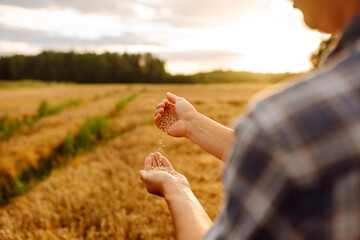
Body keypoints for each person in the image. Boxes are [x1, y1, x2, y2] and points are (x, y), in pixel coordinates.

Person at [139, 0, 360, 239]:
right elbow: (301, 155)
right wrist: (193, 123)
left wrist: (177, 189)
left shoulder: (284, 121)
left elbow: (284, 148)